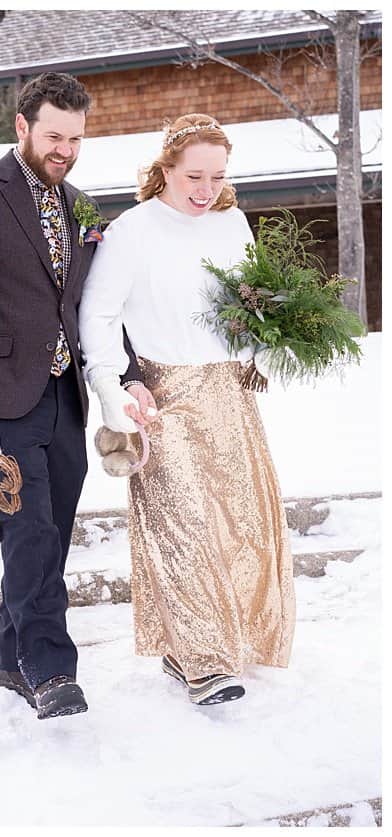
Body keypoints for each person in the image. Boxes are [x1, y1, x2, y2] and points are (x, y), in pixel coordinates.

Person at [0, 72, 146, 720]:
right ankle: (50, 670)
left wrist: (127, 374)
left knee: (52, 536)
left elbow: (90, 303)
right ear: (22, 126)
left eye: (76, 138)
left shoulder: (78, 202)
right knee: (27, 532)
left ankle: (6, 660)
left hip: (64, 398)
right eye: (54, 135)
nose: (66, 149)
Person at [78, 114, 293, 706]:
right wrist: (112, 386)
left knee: (241, 524)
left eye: (217, 176)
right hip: (163, 398)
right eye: (194, 175)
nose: (206, 189)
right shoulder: (132, 231)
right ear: (165, 169)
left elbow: (246, 297)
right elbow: (97, 316)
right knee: (183, 525)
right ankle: (202, 661)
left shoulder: (233, 223)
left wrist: (270, 335)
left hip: (231, 393)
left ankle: (218, 641)